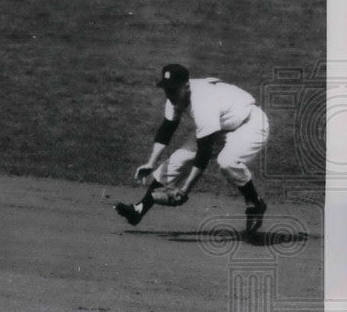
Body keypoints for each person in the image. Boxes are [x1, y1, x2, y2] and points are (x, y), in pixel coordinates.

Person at [115, 64, 270, 234]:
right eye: (167, 89)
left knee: (227, 162)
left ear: (187, 86)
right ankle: (139, 210)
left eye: (174, 90)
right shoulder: (173, 98)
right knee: (178, 159)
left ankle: (254, 203)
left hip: (249, 124)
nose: (170, 94)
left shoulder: (202, 103)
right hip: (221, 123)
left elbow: (204, 153)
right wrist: (151, 162)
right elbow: (167, 129)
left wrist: (184, 191)